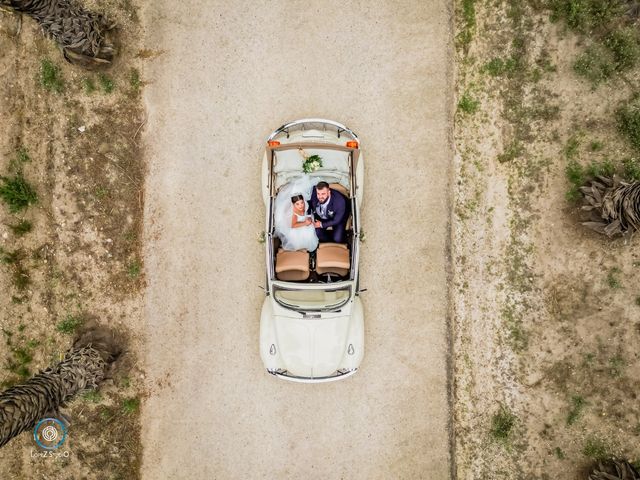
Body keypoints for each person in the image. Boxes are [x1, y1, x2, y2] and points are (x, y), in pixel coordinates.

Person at [274, 176, 319, 251]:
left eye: (301, 203)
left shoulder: (305, 203)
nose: (301, 206)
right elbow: (293, 225)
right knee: (308, 236)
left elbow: (308, 207)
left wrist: (308, 216)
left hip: (306, 221)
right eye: (297, 204)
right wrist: (305, 223)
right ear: (293, 204)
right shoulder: (293, 214)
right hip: (297, 227)